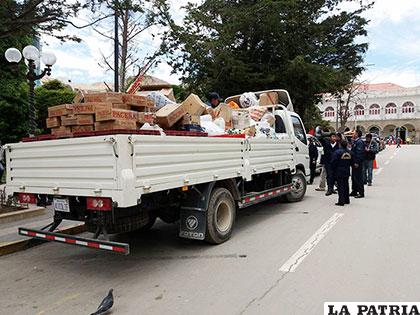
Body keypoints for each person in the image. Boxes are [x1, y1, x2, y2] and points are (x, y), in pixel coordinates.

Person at [331, 139, 353, 206]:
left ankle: (341, 201)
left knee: (340, 186)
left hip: (339, 171)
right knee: (346, 185)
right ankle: (347, 200)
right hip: (347, 170)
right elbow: (352, 161)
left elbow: (333, 162)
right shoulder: (350, 152)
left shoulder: (337, 152)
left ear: (340, 145)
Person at [317, 130, 339, 196]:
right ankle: (329, 189)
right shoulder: (326, 144)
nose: (334, 138)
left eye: (335, 137)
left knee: (334, 177)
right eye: (332, 136)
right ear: (330, 138)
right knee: (329, 176)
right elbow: (320, 138)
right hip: (328, 163)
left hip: (335, 164)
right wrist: (324, 133)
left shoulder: (338, 145)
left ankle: (332, 188)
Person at [350, 129, 365, 198]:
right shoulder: (355, 141)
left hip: (357, 163)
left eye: (354, 133)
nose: (352, 134)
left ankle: (361, 193)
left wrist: (356, 162)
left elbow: (359, 153)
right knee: (354, 177)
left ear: (357, 134)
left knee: (358, 178)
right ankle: (354, 191)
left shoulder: (359, 142)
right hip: (354, 162)